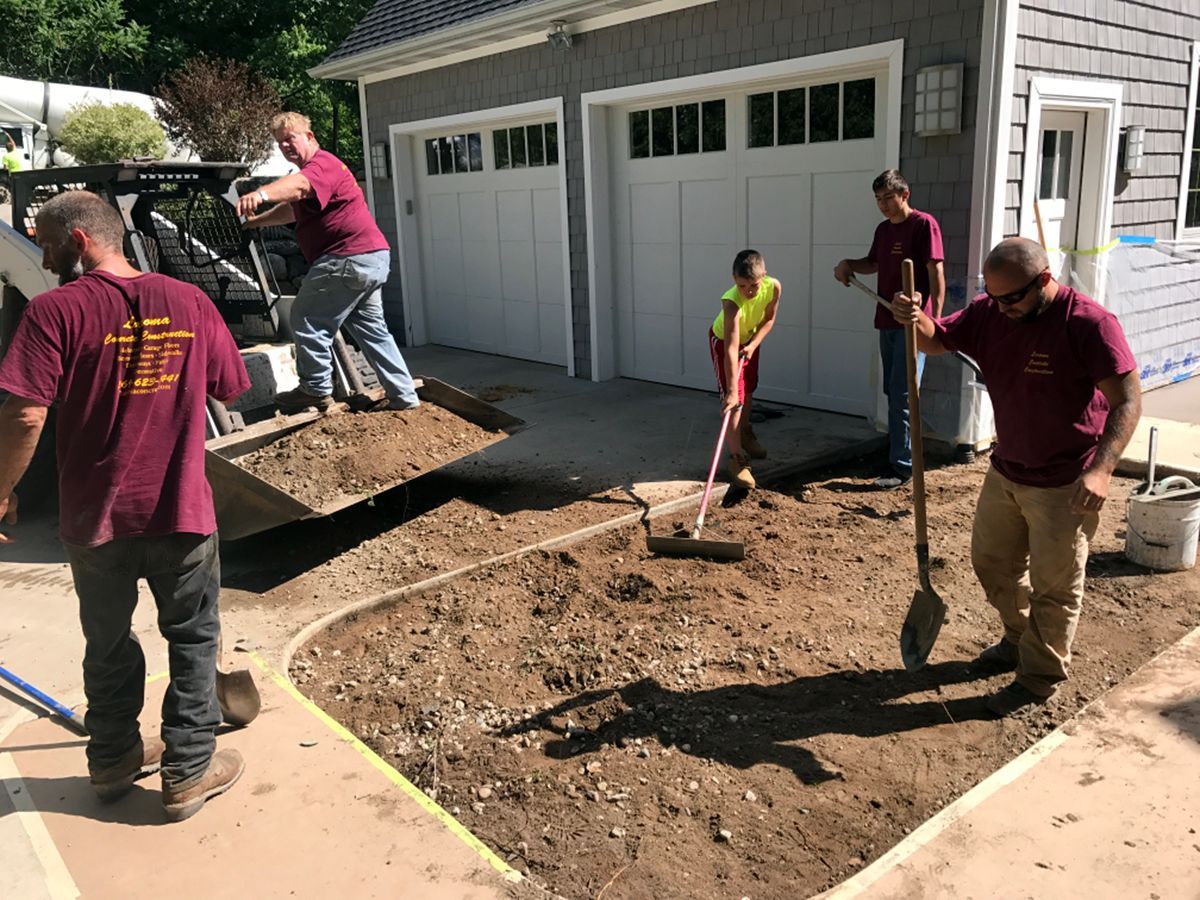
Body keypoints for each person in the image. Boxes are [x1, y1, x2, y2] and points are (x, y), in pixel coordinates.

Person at [0, 191, 250, 820]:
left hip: (95, 521)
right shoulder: (190, 301)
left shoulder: (54, 312)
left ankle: (112, 760)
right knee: (193, 638)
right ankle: (188, 770)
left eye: (49, 242)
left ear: (80, 241)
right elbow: (230, 385)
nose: (44, 254)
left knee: (106, 641)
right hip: (181, 513)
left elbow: (26, 412)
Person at [891, 236, 1141, 717]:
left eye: (1011, 298)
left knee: (1056, 586)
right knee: (992, 564)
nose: (1000, 307)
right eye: (992, 295)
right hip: (1007, 471)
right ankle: (1018, 637)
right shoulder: (991, 311)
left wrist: (1102, 469)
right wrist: (914, 316)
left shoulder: (1089, 324)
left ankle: (1038, 676)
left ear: (1044, 280)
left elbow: (1128, 400)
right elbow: (934, 340)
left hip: (1066, 484)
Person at [237, 111, 419, 413]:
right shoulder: (316, 176)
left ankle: (315, 388)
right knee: (373, 330)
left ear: (309, 136)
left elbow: (298, 187)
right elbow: (293, 210)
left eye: (290, 138)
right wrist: (256, 223)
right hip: (369, 259)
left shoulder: (322, 165)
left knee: (306, 318)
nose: (285, 146)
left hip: (346, 257)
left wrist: (261, 193)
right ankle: (403, 396)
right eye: (280, 143)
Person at [834, 170, 945, 489]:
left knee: (904, 391)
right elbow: (874, 263)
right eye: (878, 199)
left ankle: (902, 466)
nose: (883, 205)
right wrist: (849, 265)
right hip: (886, 319)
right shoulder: (883, 230)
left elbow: (935, 272)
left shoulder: (924, 225)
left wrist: (935, 322)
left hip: (915, 323)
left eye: (888, 198)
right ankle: (899, 455)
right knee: (893, 392)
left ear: (904, 195)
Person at [710, 249, 781, 490]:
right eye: (742, 286)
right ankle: (736, 459)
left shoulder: (774, 287)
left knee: (749, 389)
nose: (748, 292)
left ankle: (745, 432)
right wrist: (730, 390)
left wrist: (752, 345)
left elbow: (769, 319)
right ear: (734, 279)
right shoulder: (731, 303)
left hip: (750, 340)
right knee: (735, 399)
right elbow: (730, 348)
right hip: (724, 343)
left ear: (764, 277)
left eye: (753, 285)